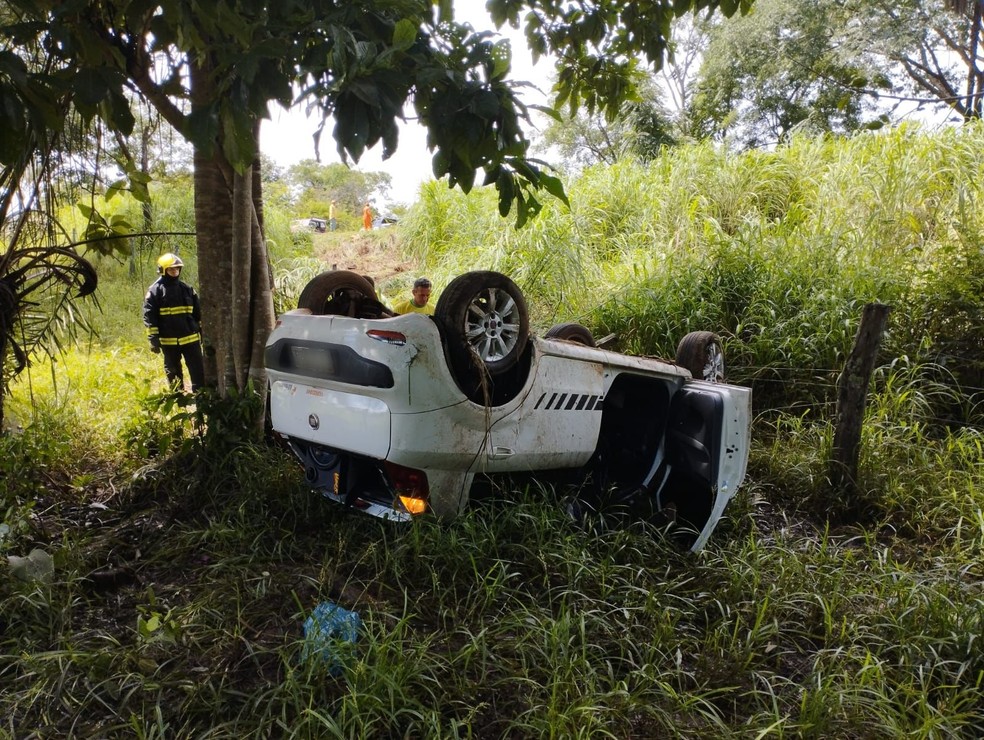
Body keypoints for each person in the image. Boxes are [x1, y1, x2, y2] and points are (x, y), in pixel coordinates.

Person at [143, 252, 205, 391]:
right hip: (169, 341)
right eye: (171, 269)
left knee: (198, 371)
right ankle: (178, 401)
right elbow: (149, 316)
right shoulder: (155, 291)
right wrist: (153, 339)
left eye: (177, 269)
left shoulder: (187, 289)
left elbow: (198, 313)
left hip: (190, 339)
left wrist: (202, 332)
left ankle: (201, 398)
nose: (175, 271)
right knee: (173, 372)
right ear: (163, 270)